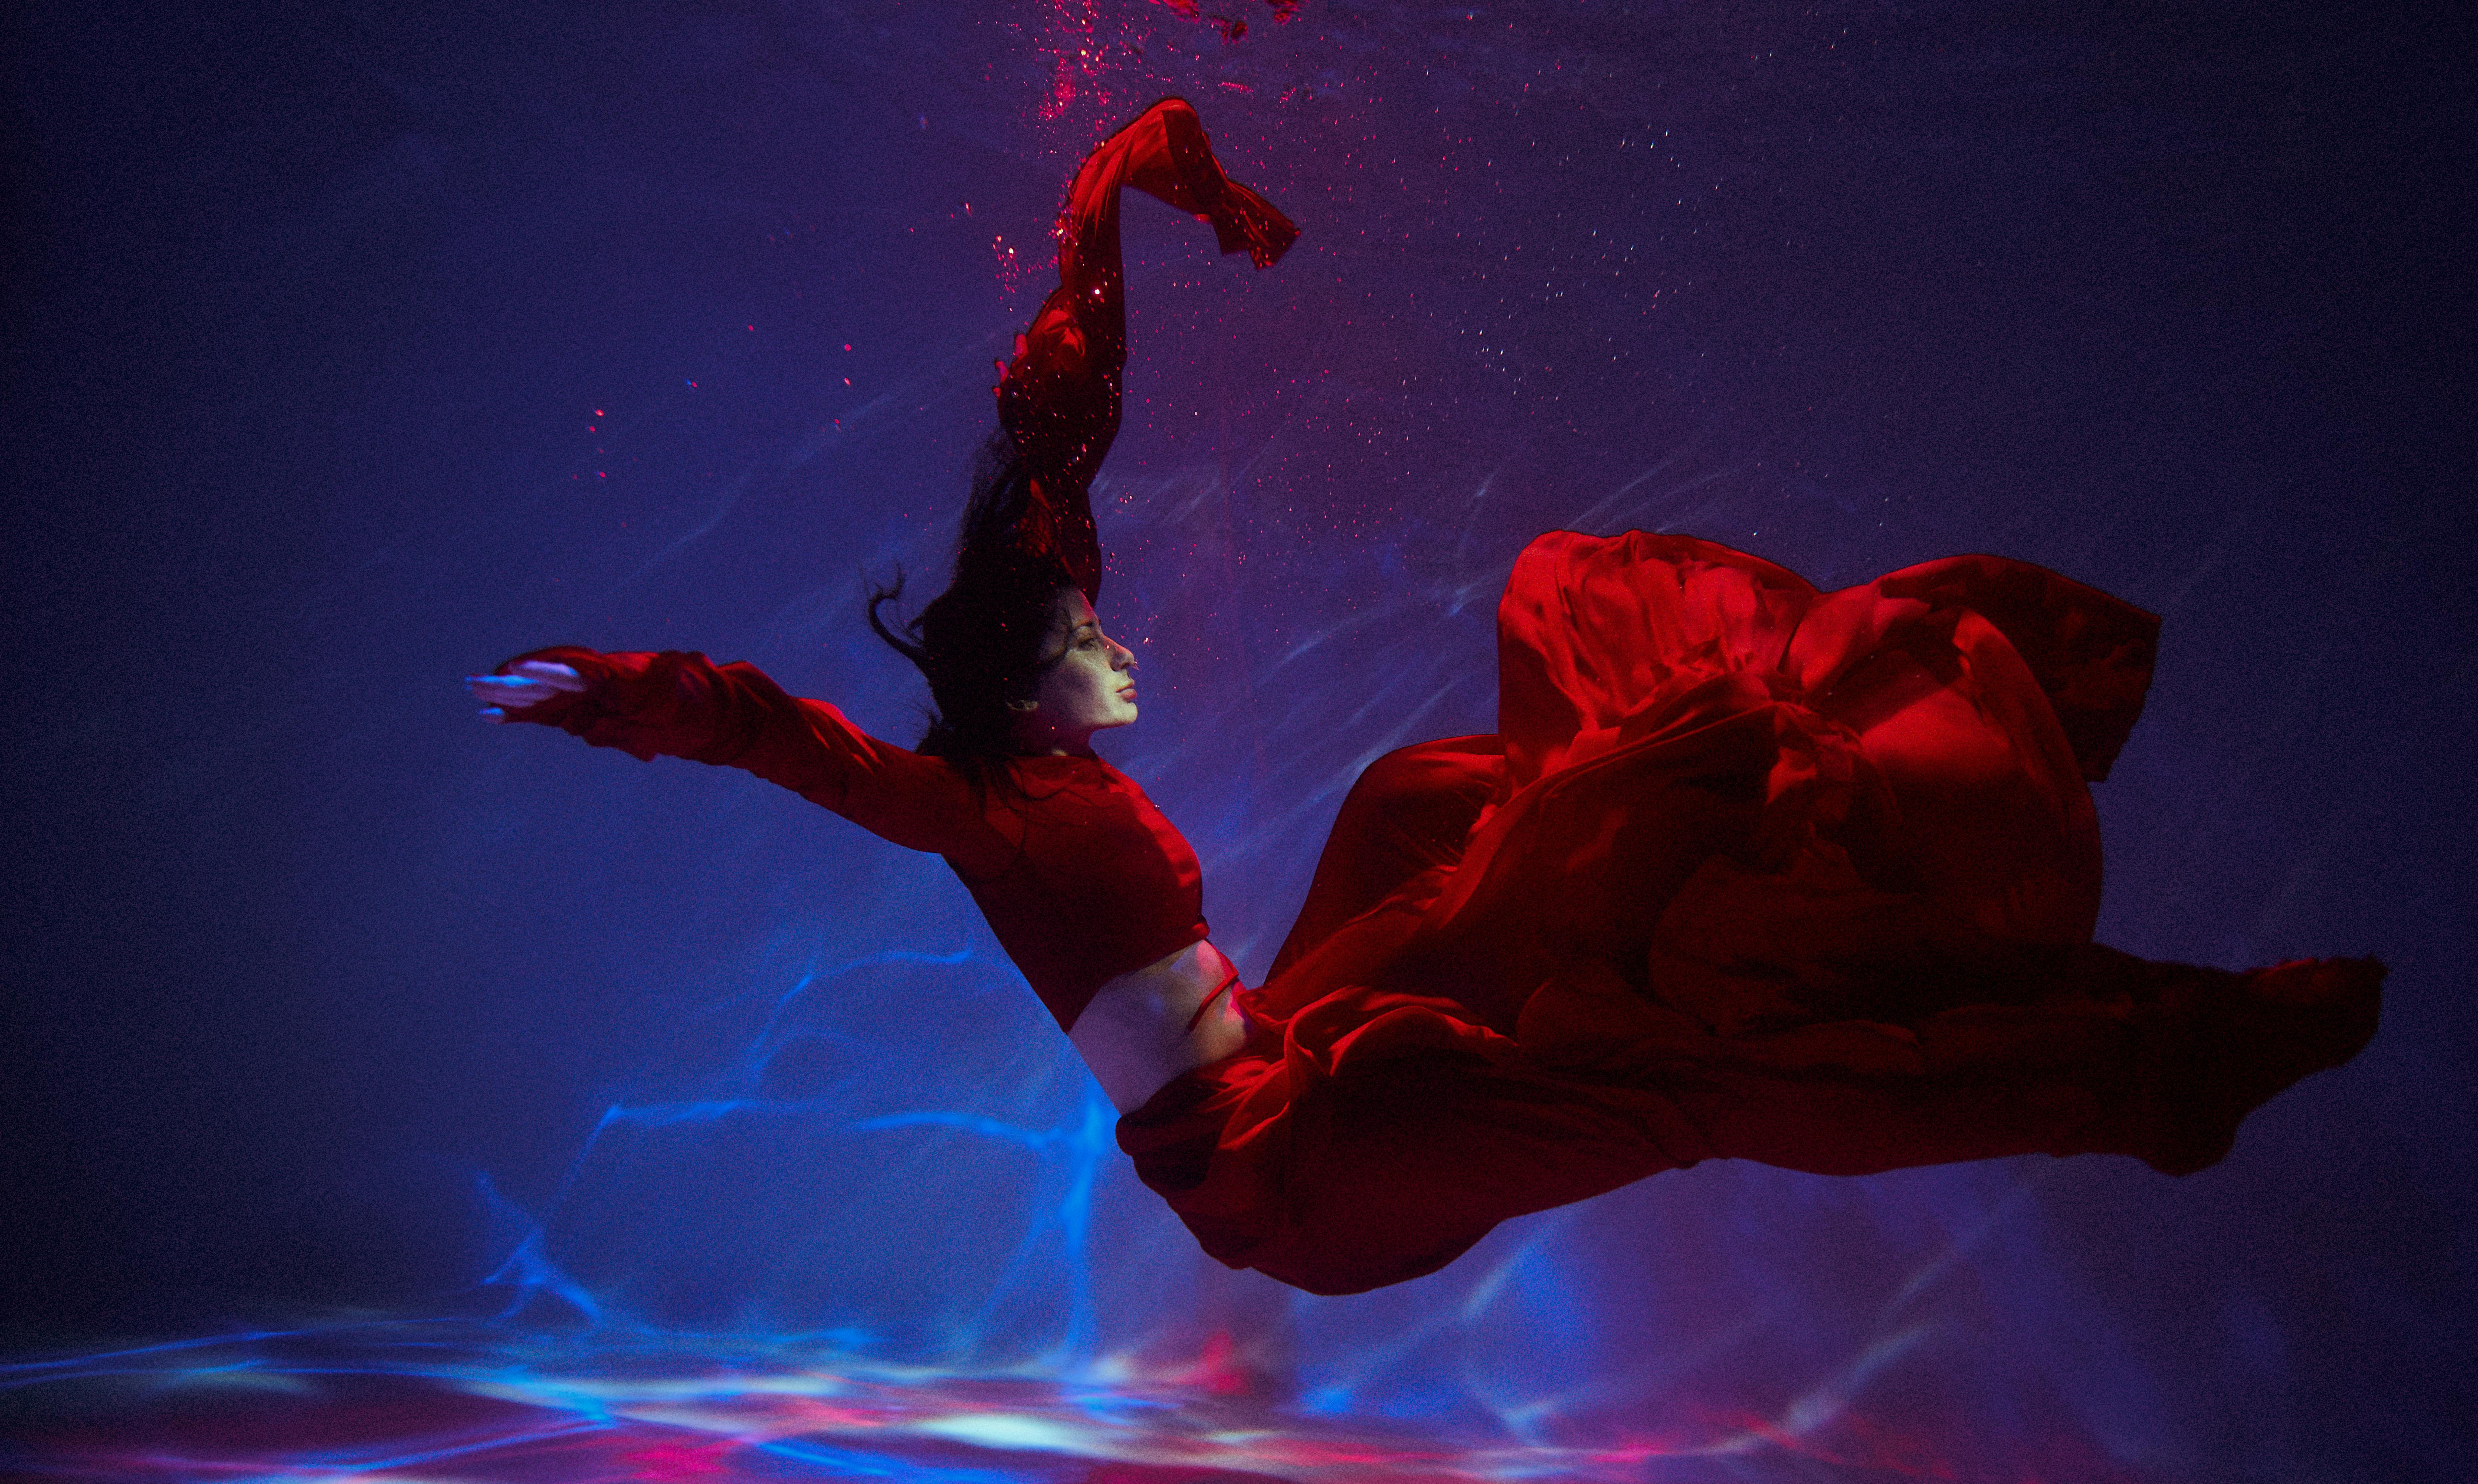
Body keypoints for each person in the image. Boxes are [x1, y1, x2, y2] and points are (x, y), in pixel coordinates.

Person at [469, 99, 2382, 1297]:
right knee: (1687, 1075)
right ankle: (2157, 1068)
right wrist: (625, 690)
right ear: (1032, 676)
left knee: (1440, 799)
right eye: (1093, 640)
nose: (1125, 652)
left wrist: (1130, 185)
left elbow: (1058, 441)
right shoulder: (986, 803)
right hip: (1297, 1183)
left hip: (1302, 1037)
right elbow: (791, 742)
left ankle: (1829, 900)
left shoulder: (1041, 719)